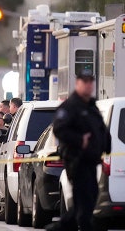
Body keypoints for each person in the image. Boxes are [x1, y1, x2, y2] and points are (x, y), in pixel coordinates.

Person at [46, 71, 111, 231]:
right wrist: (79, 140)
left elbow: (100, 129)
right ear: (78, 84)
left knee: (90, 197)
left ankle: (64, 226)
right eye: (85, 81)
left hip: (91, 160)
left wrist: (106, 146)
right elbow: (60, 129)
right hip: (77, 159)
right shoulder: (70, 106)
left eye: (91, 81)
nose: (88, 85)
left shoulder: (91, 106)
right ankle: (77, 226)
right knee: (84, 198)